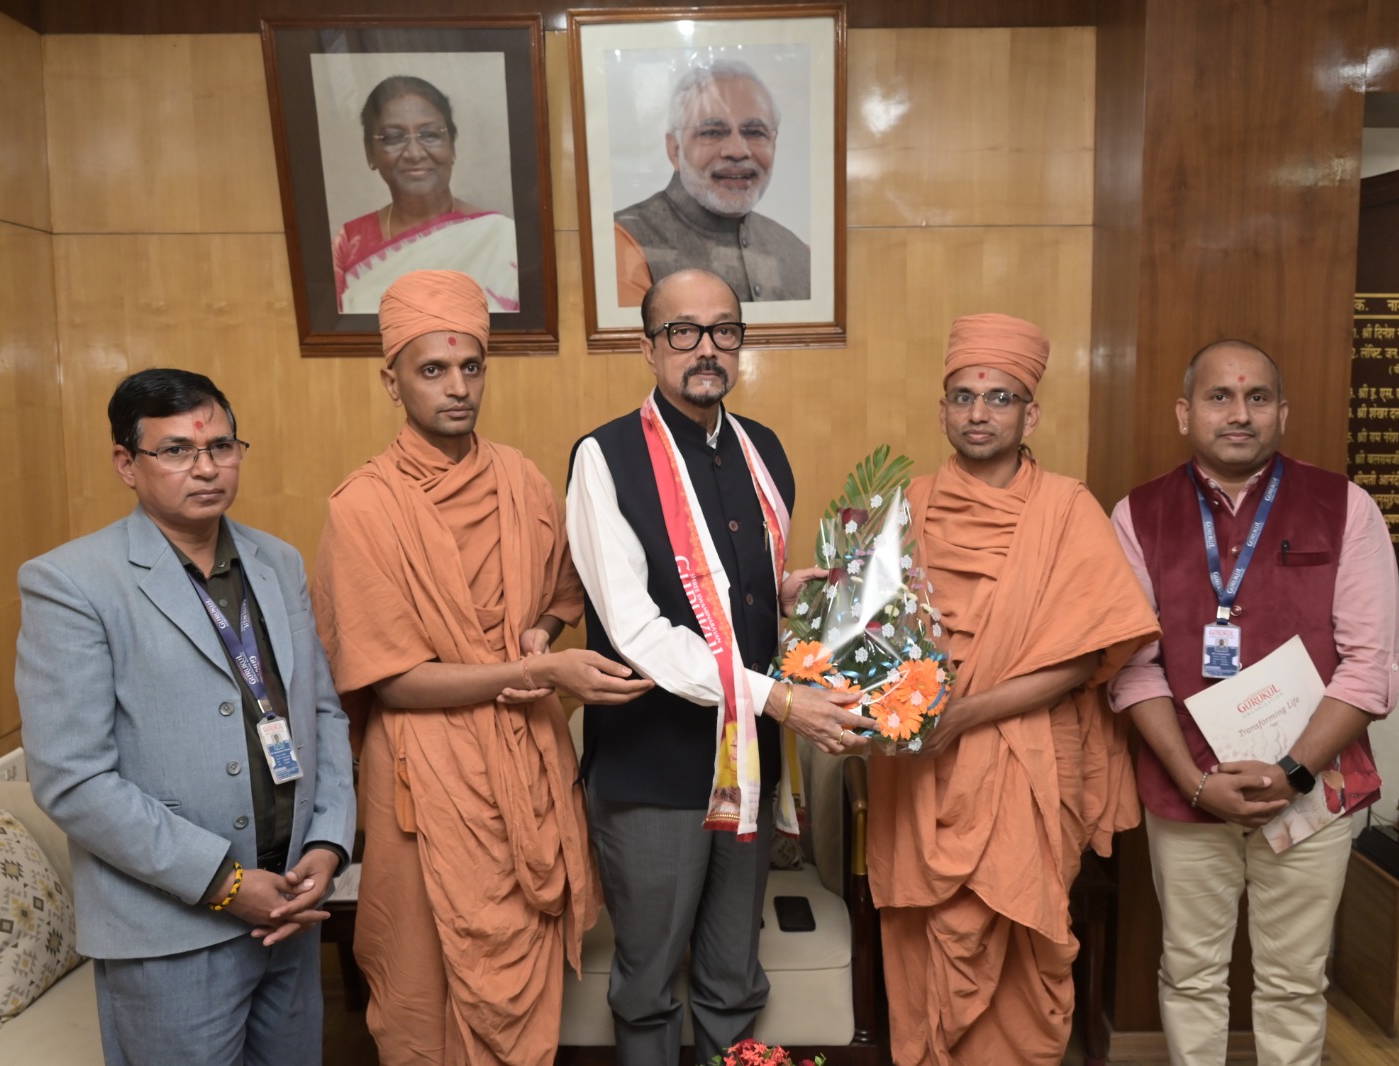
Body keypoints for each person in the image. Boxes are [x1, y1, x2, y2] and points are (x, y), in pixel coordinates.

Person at [312, 270, 649, 1066]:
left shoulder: (520, 477)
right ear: (390, 380)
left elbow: (561, 592)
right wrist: (543, 676)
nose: (458, 389)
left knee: (523, 975)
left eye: (471, 368)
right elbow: (393, 680)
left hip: (525, 766)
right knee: (424, 986)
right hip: (425, 784)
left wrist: (537, 633)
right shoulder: (361, 507)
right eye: (432, 370)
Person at [566, 268, 867, 1063]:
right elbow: (637, 629)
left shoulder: (761, 448)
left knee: (735, 977)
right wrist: (777, 702)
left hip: (751, 769)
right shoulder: (604, 458)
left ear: (741, 341)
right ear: (648, 346)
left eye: (724, 330)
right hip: (655, 772)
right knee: (650, 983)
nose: (706, 348)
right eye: (683, 331)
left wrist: (792, 593)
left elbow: (738, 596)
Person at [15, 368, 356, 1066]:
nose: (205, 468)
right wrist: (226, 885)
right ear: (126, 464)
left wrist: (327, 846)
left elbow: (322, 713)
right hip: (170, 930)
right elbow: (72, 779)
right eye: (175, 451)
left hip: (290, 912)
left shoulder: (276, 561)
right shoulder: (72, 582)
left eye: (221, 447)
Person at [867, 314, 1160, 1066]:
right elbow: (866, 642)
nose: (978, 412)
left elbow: (1084, 659)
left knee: (1023, 948)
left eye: (1000, 398)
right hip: (922, 772)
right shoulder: (905, 505)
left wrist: (963, 714)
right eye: (963, 396)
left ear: (1031, 413)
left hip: (1023, 759)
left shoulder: (1068, 509)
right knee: (928, 944)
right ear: (942, 410)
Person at [1108, 339, 1399, 1066]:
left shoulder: (1346, 507)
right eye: (1219, 397)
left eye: (1257, 397)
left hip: (1311, 789)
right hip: (1188, 790)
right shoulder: (1137, 515)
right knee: (1190, 973)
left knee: (1296, 981)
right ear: (1185, 413)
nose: (1239, 413)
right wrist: (1193, 779)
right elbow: (1132, 672)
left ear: (1282, 412)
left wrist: (1295, 771)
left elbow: (1370, 668)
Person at [614, 61, 810, 307]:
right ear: (674, 150)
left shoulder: (799, 253)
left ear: (774, 144)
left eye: (754, 132)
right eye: (712, 132)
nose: (738, 151)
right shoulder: (623, 242)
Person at [333, 75, 519, 314]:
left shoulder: (501, 238)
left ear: (451, 145)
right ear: (370, 153)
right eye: (393, 137)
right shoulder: (349, 244)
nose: (414, 153)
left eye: (430, 134)